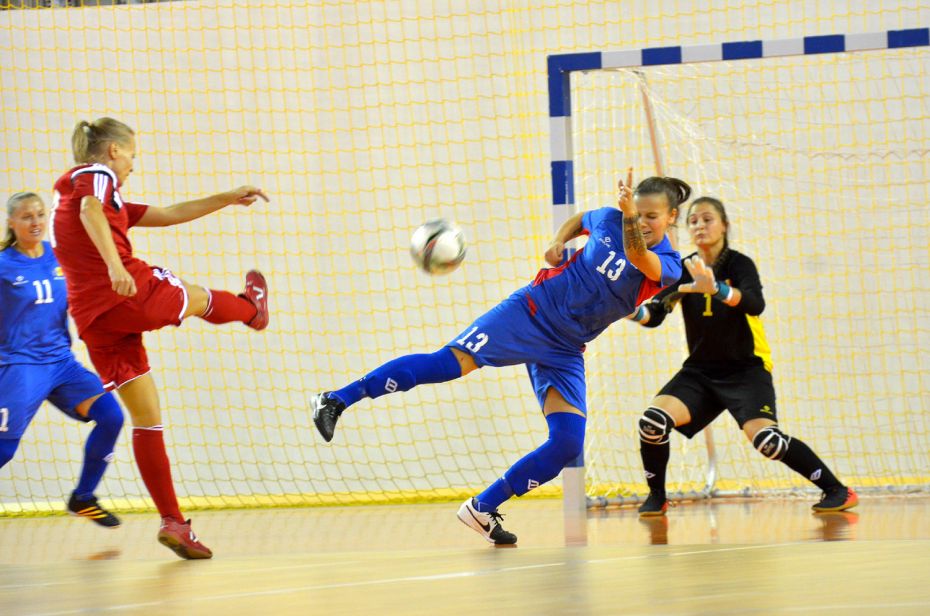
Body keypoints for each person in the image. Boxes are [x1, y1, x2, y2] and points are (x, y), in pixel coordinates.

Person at [312, 169, 692, 545]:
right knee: (448, 364)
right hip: (531, 310)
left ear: (671, 217)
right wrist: (559, 242)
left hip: (566, 348)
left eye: (652, 217)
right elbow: (581, 220)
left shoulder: (670, 264)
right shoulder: (611, 218)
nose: (643, 222)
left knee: (567, 442)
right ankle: (336, 399)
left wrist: (627, 216)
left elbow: (640, 258)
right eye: (639, 214)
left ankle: (481, 507)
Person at [50, 117, 270, 559]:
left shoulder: (86, 195)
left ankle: (174, 522)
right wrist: (115, 267)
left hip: (95, 323)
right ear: (113, 150)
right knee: (198, 296)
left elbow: (168, 214)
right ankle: (252, 310)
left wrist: (225, 198)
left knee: (148, 421)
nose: (132, 163)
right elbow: (91, 211)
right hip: (123, 293)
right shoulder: (95, 177)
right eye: (131, 153)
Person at [630, 196, 858, 516]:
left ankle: (837, 490)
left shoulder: (739, 264)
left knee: (768, 442)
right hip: (700, 372)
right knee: (652, 422)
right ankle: (657, 496)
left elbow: (755, 304)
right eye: (693, 220)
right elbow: (654, 315)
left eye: (707, 219)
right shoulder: (686, 268)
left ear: (724, 225)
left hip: (746, 370)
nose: (699, 225)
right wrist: (627, 309)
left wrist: (717, 290)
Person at [1, 192, 124, 527]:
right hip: (21, 365)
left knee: (111, 416)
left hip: (61, 363)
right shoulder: (3, 265)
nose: (36, 221)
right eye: (26, 216)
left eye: (40, 214)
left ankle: (83, 498)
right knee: (4, 451)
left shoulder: (58, 256)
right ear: (11, 222)